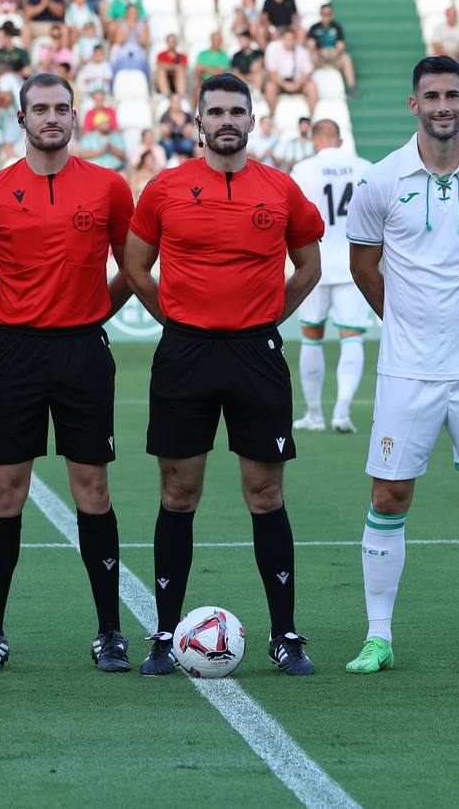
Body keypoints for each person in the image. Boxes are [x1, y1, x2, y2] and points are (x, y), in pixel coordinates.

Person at [122, 73, 325, 677]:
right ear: (198, 121)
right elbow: (136, 265)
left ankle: (285, 635)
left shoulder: (281, 189)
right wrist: (177, 321)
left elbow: (309, 264)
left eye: (238, 111)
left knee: (266, 493)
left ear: (253, 121)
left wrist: (266, 320)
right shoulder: (166, 188)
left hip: (255, 355)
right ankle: (164, 633)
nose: (227, 120)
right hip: (185, 354)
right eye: (216, 112)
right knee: (177, 493)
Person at [341, 56, 459, 676]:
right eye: (431, 95)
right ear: (413, 104)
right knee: (389, 495)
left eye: (453, 94)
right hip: (406, 371)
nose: (443, 105)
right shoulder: (379, 180)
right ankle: (378, 635)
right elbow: (363, 267)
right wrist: (407, 322)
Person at [0, 74, 135, 674]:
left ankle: (110, 631)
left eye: (61, 108)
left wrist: (94, 313)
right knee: (6, 490)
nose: (51, 117)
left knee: (95, 490)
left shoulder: (108, 187)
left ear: (75, 116)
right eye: (40, 109)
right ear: (22, 118)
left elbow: (133, 266)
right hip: (17, 355)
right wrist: (5, 318)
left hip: (84, 353)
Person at [291, 120, 374, 434]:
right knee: (351, 336)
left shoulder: (303, 169)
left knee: (312, 334)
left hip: (314, 262)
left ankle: (314, 414)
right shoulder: (363, 167)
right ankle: (341, 412)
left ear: (314, 139)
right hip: (353, 263)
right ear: (339, 139)